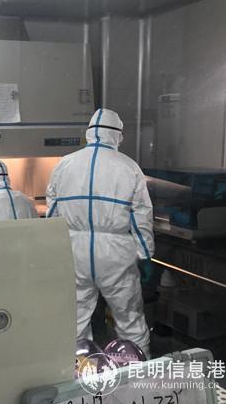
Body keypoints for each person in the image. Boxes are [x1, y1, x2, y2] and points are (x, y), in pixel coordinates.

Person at [46, 108, 154, 358]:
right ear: (117, 134)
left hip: (74, 251)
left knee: (75, 321)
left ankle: (80, 374)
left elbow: (52, 214)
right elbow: (141, 216)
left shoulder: (63, 165)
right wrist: (146, 254)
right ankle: (138, 373)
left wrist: (56, 250)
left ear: (90, 132)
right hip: (116, 254)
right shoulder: (129, 167)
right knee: (129, 319)